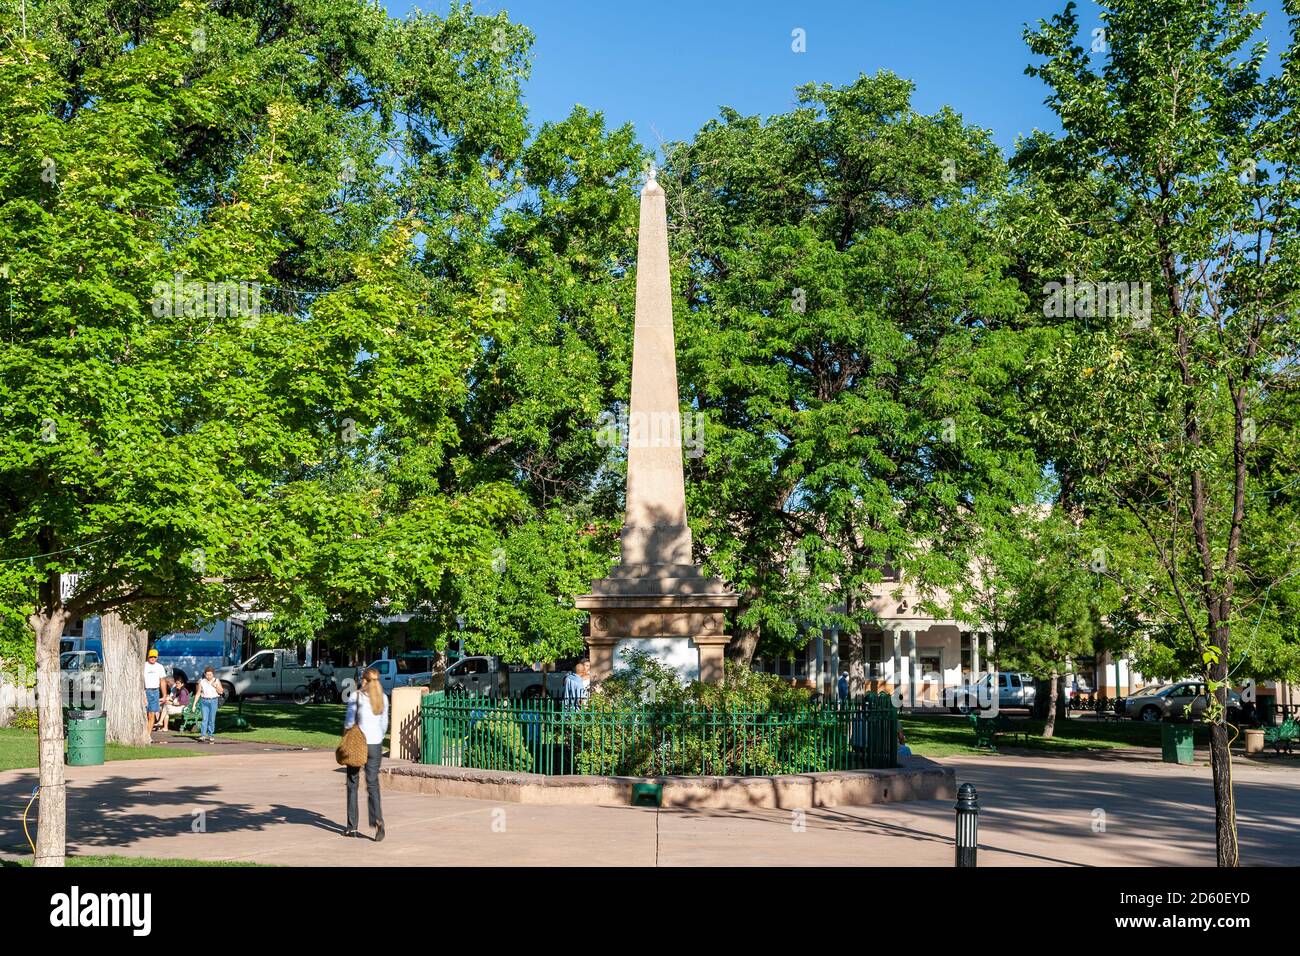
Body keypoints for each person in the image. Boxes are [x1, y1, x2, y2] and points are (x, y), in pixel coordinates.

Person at [343, 667, 389, 841]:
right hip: (376, 745)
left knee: (352, 782)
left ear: (364, 680)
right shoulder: (383, 698)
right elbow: (384, 724)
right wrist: (376, 736)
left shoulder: (357, 697)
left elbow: (348, 722)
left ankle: (352, 826)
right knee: (372, 784)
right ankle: (378, 820)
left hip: (358, 743)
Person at [143, 649, 168, 737]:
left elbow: (162, 681)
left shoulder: (160, 667)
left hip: (155, 691)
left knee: (152, 714)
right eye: (151, 656)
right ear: (148, 657)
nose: (153, 658)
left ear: (157, 657)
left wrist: (164, 695)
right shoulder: (144, 666)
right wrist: (143, 693)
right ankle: (143, 733)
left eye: (154, 657)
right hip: (146, 691)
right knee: (144, 714)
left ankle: (148, 736)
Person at [196, 667, 224, 742]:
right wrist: (194, 704)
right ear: (205, 674)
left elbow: (221, 692)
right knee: (204, 719)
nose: (209, 676)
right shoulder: (202, 681)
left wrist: (215, 685)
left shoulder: (216, 680)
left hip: (213, 700)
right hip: (204, 701)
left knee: (211, 719)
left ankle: (211, 734)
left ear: (213, 674)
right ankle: (203, 735)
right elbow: (198, 693)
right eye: (207, 675)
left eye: (210, 675)